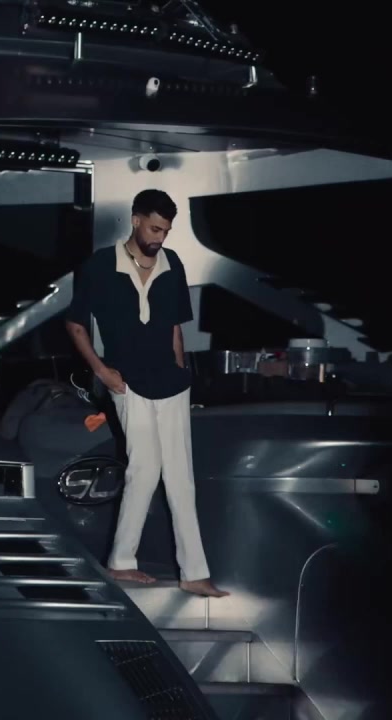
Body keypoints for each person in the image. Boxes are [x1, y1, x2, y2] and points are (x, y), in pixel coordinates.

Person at [64, 189, 228, 598]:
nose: (160, 237)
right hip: (127, 381)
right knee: (145, 468)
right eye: (155, 228)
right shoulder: (102, 264)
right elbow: (76, 325)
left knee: (181, 476)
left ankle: (194, 573)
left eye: (166, 230)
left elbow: (174, 328)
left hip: (171, 382)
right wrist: (102, 372)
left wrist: (182, 373)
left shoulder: (172, 264)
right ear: (136, 219)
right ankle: (121, 562)